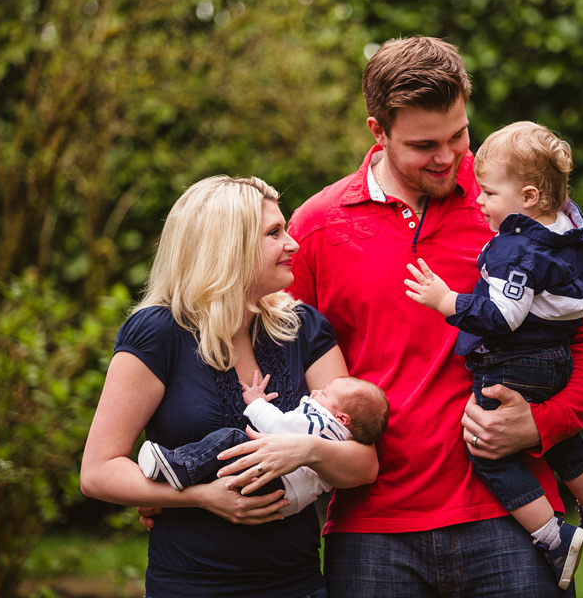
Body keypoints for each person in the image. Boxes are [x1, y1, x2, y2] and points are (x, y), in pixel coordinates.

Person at [286, 36, 583, 597]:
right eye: (424, 145)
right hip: (372, 526)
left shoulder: (516, 206)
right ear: (378, 131)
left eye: (458, 135)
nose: (449, 158)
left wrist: (544, 424)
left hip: (514, 519)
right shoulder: (318, 226)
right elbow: (274, 356)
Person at [80, 175, 379, 598]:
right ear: (228, 248)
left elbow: (362, 465)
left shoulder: (303, 329)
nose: (293, 244)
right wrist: (203, 496)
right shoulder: (159, 333)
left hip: (296, 583)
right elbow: (98, 471)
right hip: (191, 583)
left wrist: (307, 450)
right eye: (274, 233)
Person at [404, 120, 583, 589]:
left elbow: (502, 315)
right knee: (561, 439)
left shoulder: (512, 248)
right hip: (556, 362)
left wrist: (448, 301)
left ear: (526, 197)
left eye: (487, 194)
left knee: (488, 450)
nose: (478, 201)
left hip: (513, 364)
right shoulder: (576, 229)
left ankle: (553, 537)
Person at [137, 371, 389, 517]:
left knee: (232, 439)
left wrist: (256, 403)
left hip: (276, 482)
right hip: (283, 497)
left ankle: (180, 466)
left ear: (341, 418)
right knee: (229, 462)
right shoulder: (341, 438)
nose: (314, 393)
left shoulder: (321, 425)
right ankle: (177, 481)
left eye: (324, 393)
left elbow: (280, 428)